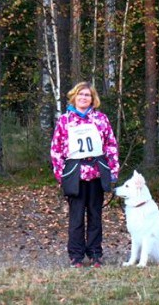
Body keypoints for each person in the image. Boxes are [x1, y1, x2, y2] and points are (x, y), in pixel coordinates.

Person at [50, 81, 119, 268]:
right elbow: (56, 150)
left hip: (97, 172)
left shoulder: (101, 119)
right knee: (76, 216)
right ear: (74, 97)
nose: (83, 98)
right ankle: (76, 255)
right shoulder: (64, 120)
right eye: (80, 94)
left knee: (95, 215)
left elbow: (110, 145)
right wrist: (60, 175)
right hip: (74, 174)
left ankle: (96, 253)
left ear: (93, 99)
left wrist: (113, 170)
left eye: (87, 95)